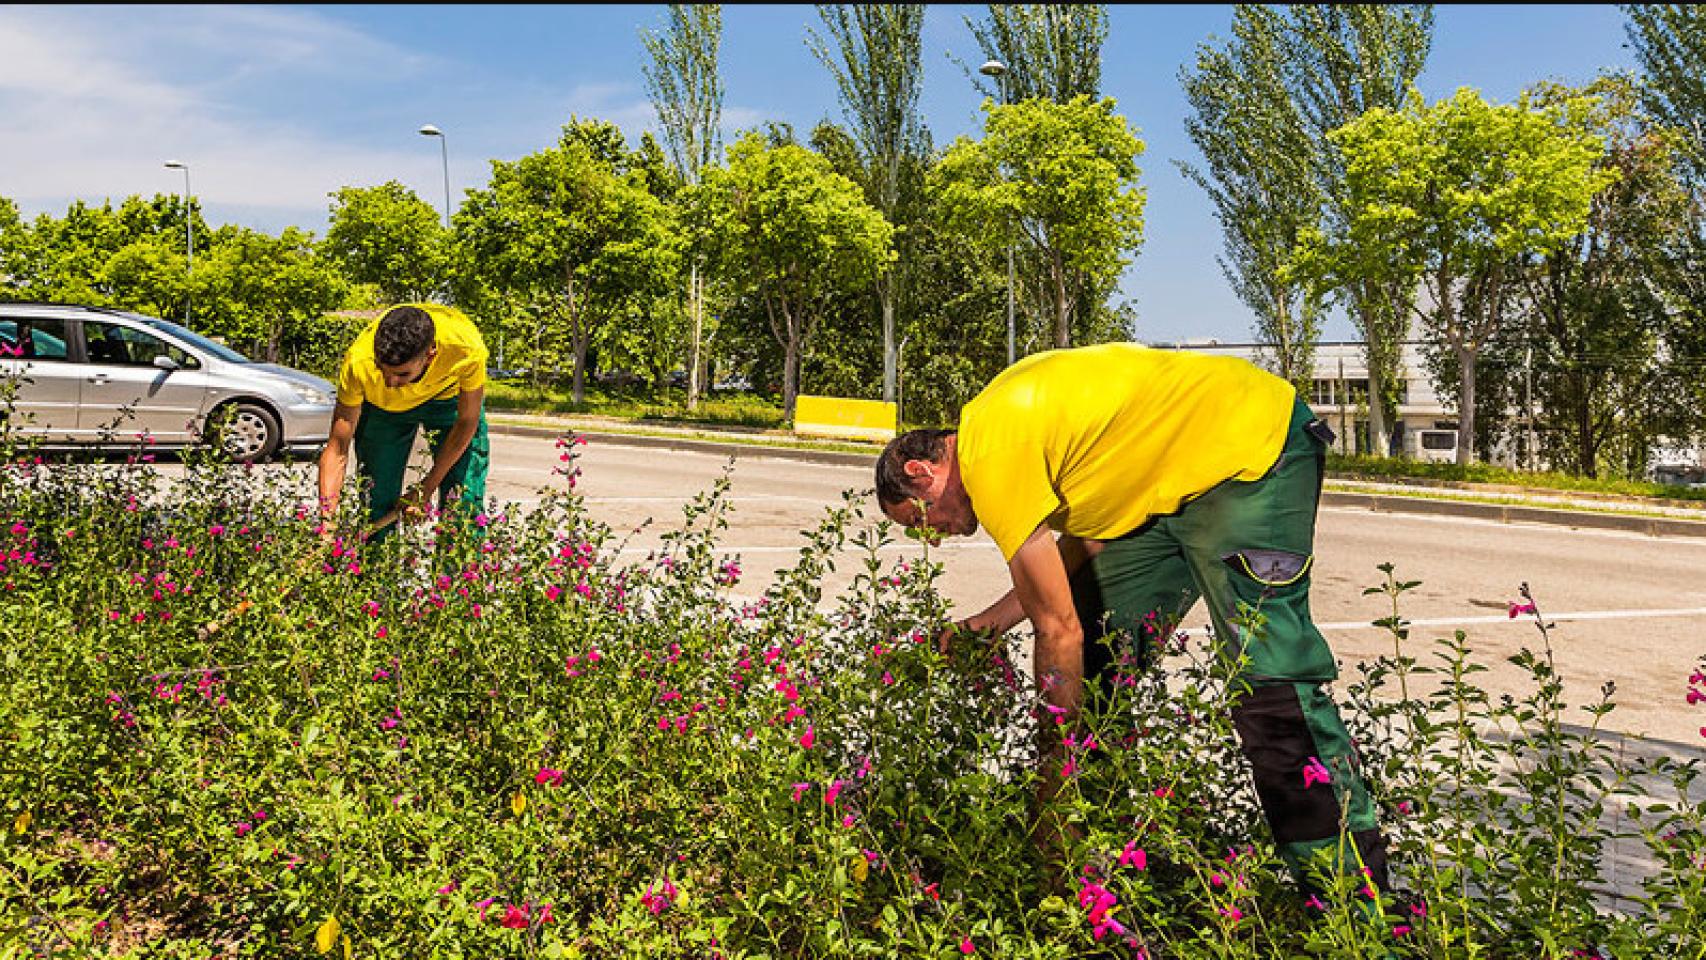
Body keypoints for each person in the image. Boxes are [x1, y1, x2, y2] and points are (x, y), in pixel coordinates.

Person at [873, 341, 1387, 891]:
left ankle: (1355, 908)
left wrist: (1052, 772)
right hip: (1167, 494)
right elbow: (1082, 547)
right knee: (1096, 660)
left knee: (1269, 685)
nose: (932, 536)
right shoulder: (1000, 430)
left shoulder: (991, 457)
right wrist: (987, 627)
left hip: (1248, 453)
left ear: (921, 471)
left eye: (918, 521)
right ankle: (1086, 879)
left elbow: (1056, 629)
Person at [317, 303, 490, 539]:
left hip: (447, 401)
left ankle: (456, 575)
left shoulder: (465, 347)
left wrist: (425, 488)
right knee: (376, 497)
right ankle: (377, 572)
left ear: (430, 356)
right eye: (382, 370)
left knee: (462, 498)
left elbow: (467, 421)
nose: (390, 382)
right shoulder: (359, 362)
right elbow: (337, 448)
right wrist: (326, 527)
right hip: (383, 409)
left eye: (402, 374)